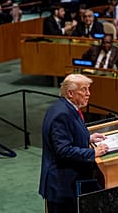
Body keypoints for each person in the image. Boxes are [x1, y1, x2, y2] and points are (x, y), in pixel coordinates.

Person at [39, 74, 109, 213]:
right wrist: (93, 152)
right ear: (70, 93)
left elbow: (68, 135)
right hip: (62, 185)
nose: (88, 94)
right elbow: (63, 150)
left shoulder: (66, 107)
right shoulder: (62, 114)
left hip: (67, 182)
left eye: (88, 89)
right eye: (84, 90)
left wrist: (87, 138)